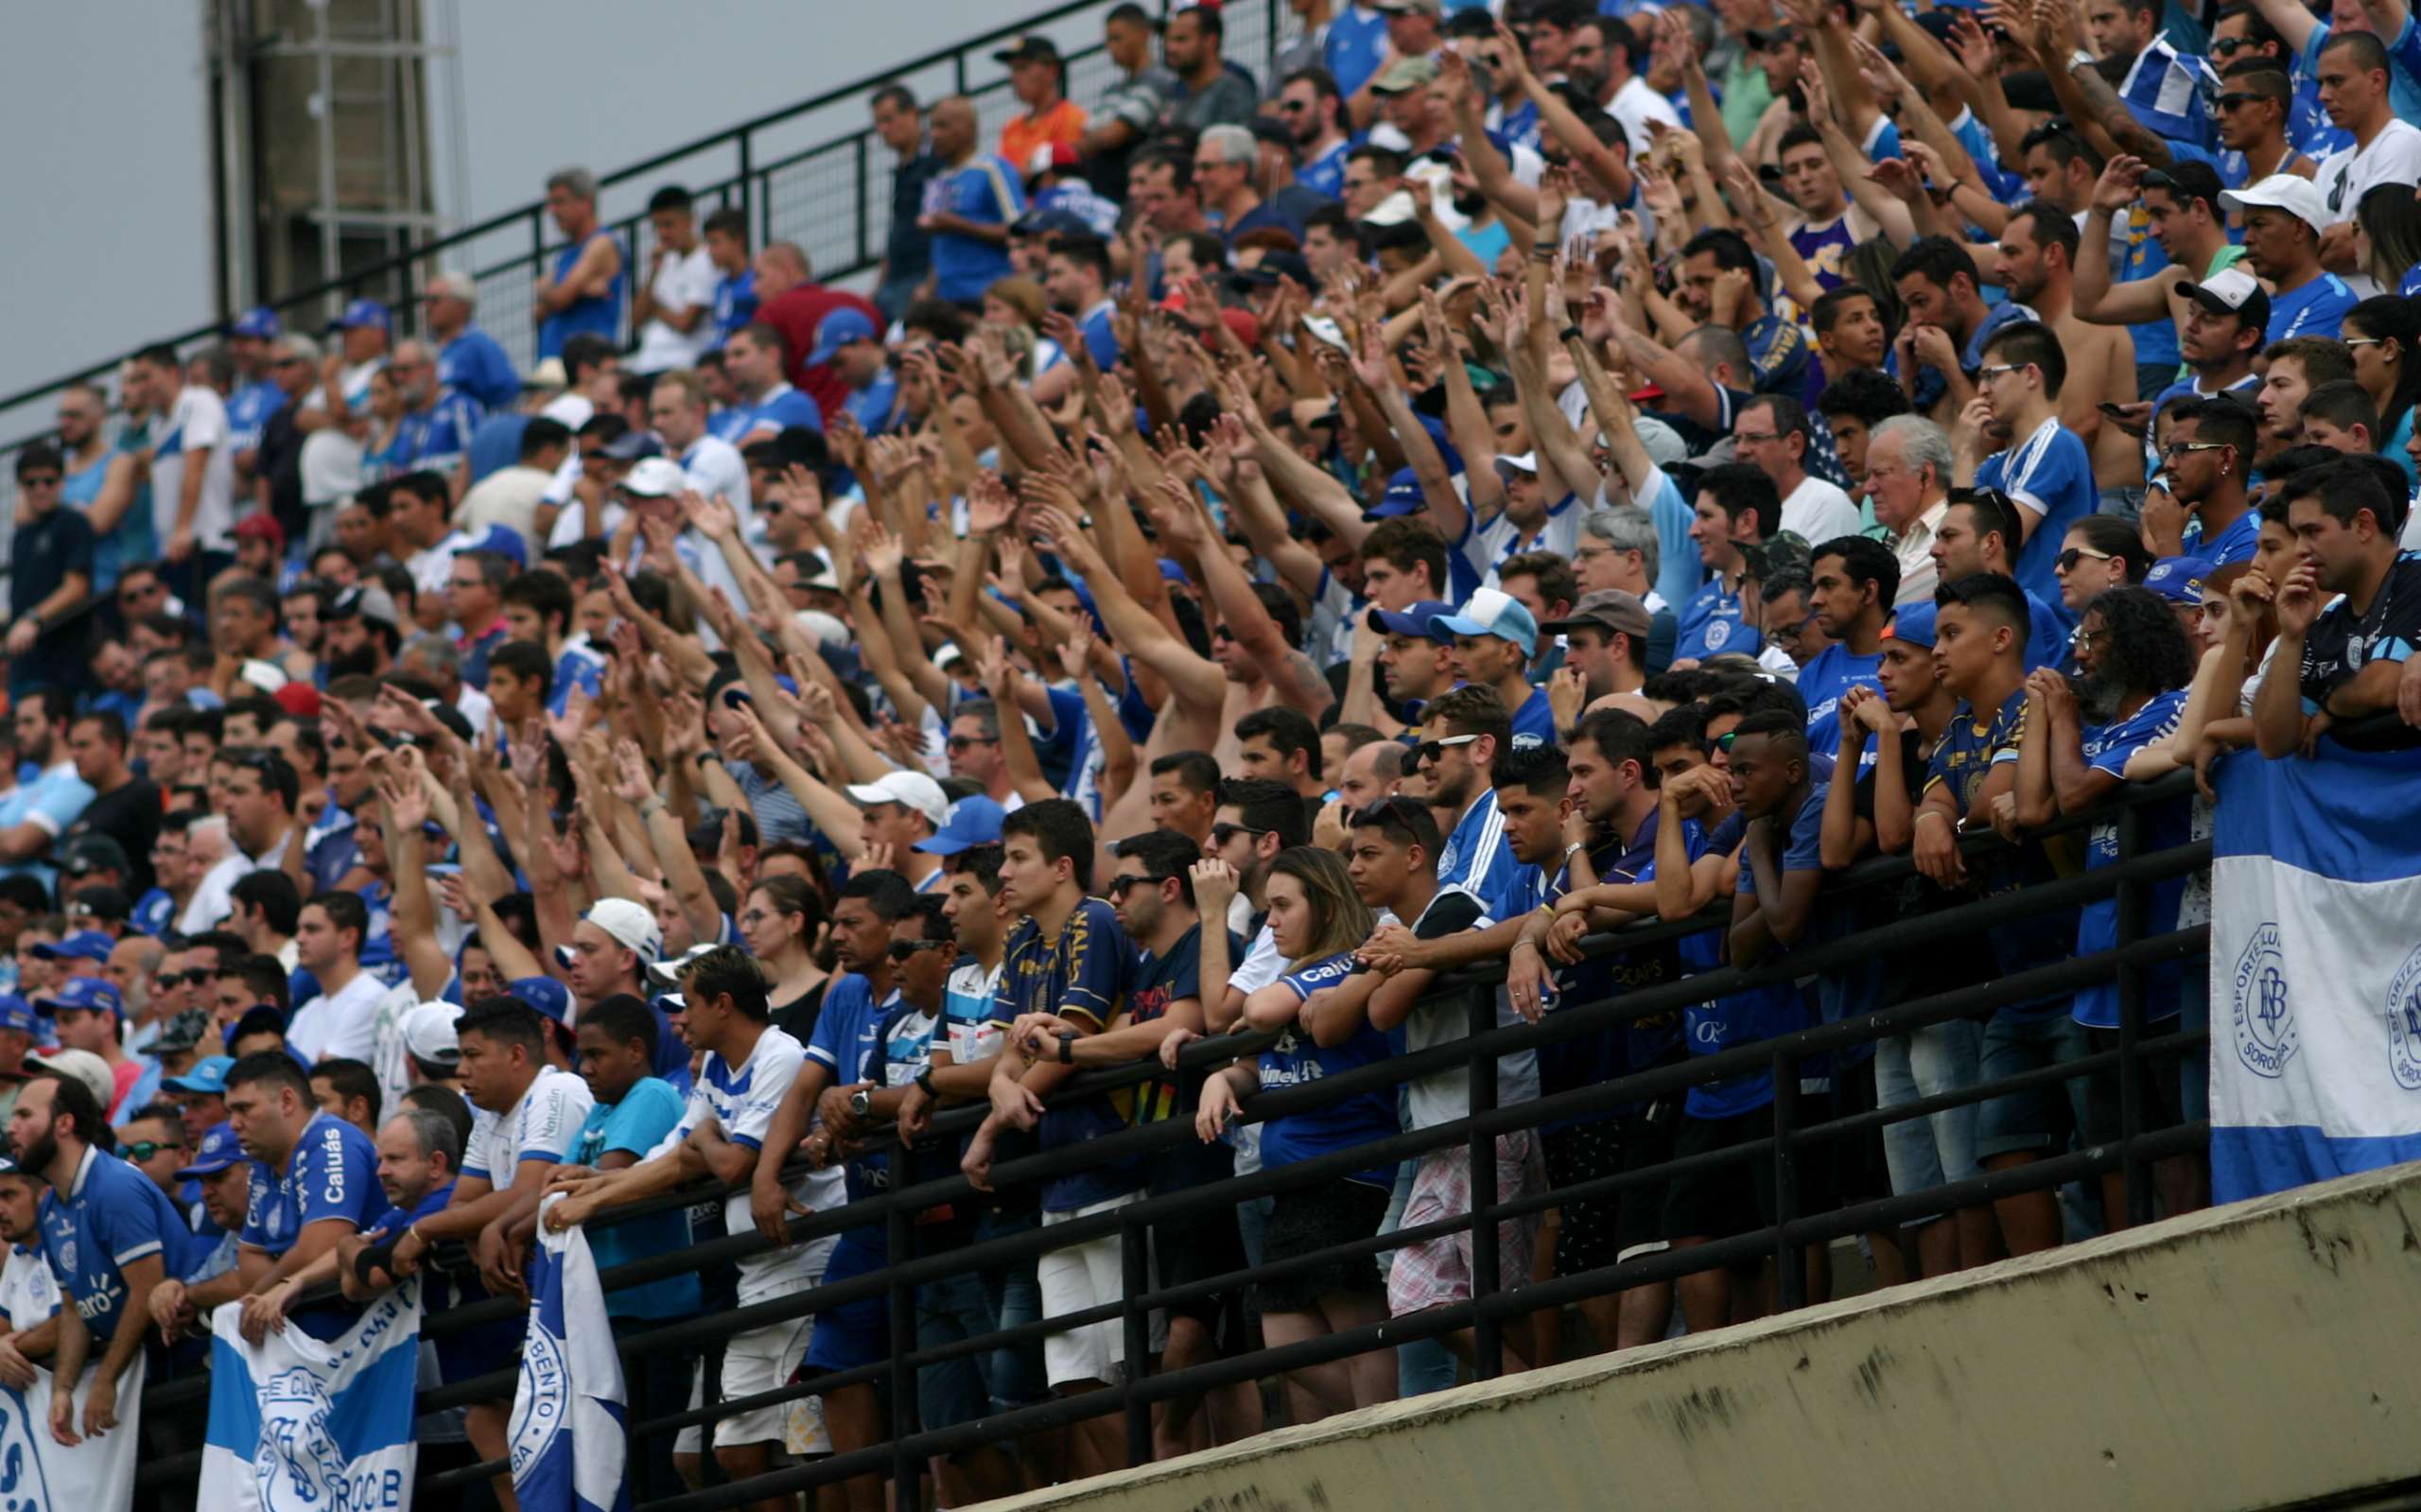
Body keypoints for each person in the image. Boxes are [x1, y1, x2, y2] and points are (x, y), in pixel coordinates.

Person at [542, 944, 832, 1512]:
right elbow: (671, 1158)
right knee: (735, 1450)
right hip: (756, 1271)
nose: (680, 1020)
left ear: (723, 1005)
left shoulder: (780, 1055)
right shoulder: (720, 1065)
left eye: (690, 1004)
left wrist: (701, 1141)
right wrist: (593, 1188)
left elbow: (728, 1165)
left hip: (806, 1262)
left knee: (811, 1448)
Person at [1192, 845, 1398, 1424]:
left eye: (1283, 906)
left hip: (1347, 1173)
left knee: (1358, 1331)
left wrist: (1263, 1009)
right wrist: (1223, 1077)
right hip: (1295, 1183)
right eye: (1267, 909)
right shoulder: (1298, 973)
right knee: (1286, 1340)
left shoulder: (1344, 964)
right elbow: (1261, 1059)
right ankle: (1380, 1416)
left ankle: (1391, 1424)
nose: (1272, 920)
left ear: (1326, 908)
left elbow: (1256, 1014)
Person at [560, 993, 697, 1499]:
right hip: (607, 1311)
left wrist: (571, 1184)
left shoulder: (654, 1094)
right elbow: (555, 1184)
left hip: (653, 1312)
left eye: (596, 1056)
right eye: (581, 1057)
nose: (585, 1068)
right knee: (616, 1465)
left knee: (652, 1464)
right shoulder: (600, 1108)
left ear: (636, 1050)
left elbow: (607, 1179)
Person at [10, 1071, 191, 1442]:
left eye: (25, 1116)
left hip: (180, 1365)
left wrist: (105, 1380)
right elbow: (76, 1309)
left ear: (64, 1123)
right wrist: (63, 1389)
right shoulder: (51, 1209)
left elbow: (146, 1291)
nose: (12, 1128)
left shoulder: (114, 1187)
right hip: (136, 1372)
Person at [2253, 458, 2421, 757]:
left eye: (2312, 531)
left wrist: (2331, 707)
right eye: (2296, 534)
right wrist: (2291, 638)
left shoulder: (2415, 575)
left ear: (2363, 525)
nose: (2301, 549)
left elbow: (2382, 685)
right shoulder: (2328, 622)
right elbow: (2273, 743)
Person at [1970, 322, 2100, 623]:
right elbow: (1959, 536)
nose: (1982, 390)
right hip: (2012, 618)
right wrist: (1965, 449)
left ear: (2030, 374)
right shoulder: (1996, 463)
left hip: (2046, 622)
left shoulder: (2057, 443)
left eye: (1992, 375)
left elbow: (2002, 540)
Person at [7, 446, 96, 698]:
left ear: (61, 482)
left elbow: (77, 587)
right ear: (22, 487)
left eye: (48, 481)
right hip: (25, 662)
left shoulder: (73, 523)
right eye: (31, 482)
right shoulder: (20, 536)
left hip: (63, 660)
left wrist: (33, 619)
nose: (40, 488)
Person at [922, 96, 1027, 310]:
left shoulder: (992, 169)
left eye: (942, 126)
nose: (934, 135)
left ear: (968, 128)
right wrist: (928, 287)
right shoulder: (940, 177)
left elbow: (1019, 231)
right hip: (946, 298)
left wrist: (958, 224)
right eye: (931, 127)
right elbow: (939, 241)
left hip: (985, 294)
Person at [535, 167, 627, 361]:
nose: (553, 211)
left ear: (585, 203)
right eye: (551, 204)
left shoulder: (601, 243)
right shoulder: (567, 254)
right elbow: (538, 313)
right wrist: (579, 290)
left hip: (588, 363)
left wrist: (547, 290)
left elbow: (560, 298)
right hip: (555, 361)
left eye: (560, 202)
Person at [632, 184, 719, 374]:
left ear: (689, 221)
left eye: (668, 225)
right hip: (648, 361)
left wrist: (655, 309)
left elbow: (685, 323)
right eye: (657, 226)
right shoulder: (665, 260)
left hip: (682, 364)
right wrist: (654, 271)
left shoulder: (706, 260)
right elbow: (637, 318)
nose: (662, 233)